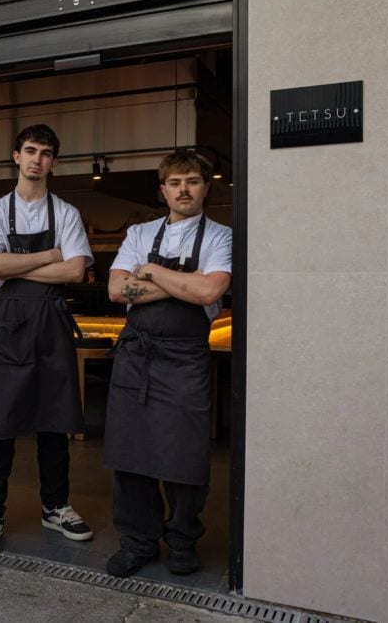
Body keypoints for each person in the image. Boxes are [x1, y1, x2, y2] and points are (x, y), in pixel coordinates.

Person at [103, 150, 232, 578]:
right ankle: (138, 540)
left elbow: (209, 293)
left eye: (192, 181)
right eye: (175, 183)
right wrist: (183, 283)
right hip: (136, 355)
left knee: (185, 454)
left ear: (205, 187)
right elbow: (117, 291)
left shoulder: (220, 236)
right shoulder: (139, 231)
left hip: (185, 358)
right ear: (163, 190)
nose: (184, 189)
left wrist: (153, 271)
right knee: (131, 453)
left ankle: (181, 540)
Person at [0, 124, 95, 558]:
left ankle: (55, 506)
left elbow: (76, 271)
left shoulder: (67, 213)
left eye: (45, 153)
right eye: (30, 151)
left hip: (51, 326)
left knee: (54, 423)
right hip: (9, 328)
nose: (37, 159)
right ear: (15, 157)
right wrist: (48, 256)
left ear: (53, 162)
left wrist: (13, 266)